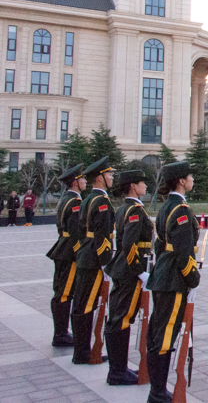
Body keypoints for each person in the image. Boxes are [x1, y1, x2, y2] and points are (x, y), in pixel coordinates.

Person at [146, 161, 200, 403]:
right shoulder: (181, 211)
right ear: (181, 181)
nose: (192, 180)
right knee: (166, 335)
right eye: (189, 176)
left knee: (158, 333)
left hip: (162, 276)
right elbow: (183, 252)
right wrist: (193, 277)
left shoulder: (167, 206)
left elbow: (160, 245)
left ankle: (156, 390)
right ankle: (157, 393)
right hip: (173, 280)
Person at [104, 170, 153, 385]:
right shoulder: (135, 211)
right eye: (143, 183)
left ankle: (118, 368)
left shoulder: (125, 207)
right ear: (133, 186)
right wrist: (139, 271)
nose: (146, 186)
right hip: (129, 271)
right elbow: (129, 245)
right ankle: (117, 372)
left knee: (118, 318)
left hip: (123, 269)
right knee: (122, 320)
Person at [71, 156, 115, 365]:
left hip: (85, 255)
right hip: (95, 259)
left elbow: (81, 231)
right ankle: (82, 353)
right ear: (99, 178)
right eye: (109, 174)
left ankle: (80, 350)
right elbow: (102, 234)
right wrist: (106, 262)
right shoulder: (102, 202)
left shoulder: (88, 199)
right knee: (87, 305)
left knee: (81, 303)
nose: (112, 177)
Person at [45, 163, 86, 347]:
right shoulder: (75, 202)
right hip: (70, 251)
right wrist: (80, 254)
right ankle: (60, 334)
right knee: (64, 293)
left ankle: (61, 332)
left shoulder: (66, 199)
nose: (85, 181)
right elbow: (76, 231)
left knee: (61, 291)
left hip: (62, 246)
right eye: (83, 179)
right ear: (76, 182)